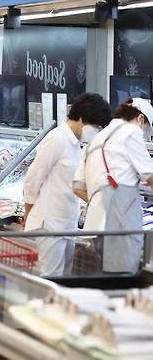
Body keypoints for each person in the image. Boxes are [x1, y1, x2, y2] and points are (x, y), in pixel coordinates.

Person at [23, 93, 112, 277]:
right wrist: (28, 214)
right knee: (50, 279)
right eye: (95, 126)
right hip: (49, 224)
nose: (96, 130)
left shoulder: (79, 145)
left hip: (67, 224)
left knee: (64, 278)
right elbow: (33, 179)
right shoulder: (56, 139)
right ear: (81, 118)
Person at [73, 98, 153, 275]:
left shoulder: (95, 139)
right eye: (147, 129)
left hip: (92, 228)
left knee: (96, 284)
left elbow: (77, 187)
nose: (144, 134)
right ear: (140, 119)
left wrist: (101, 201)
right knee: (119, 283)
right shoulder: (131, 132)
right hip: (119, 229)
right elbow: (149, 175)